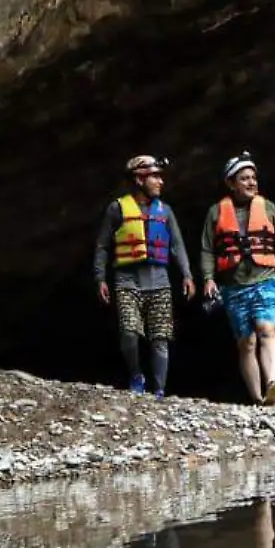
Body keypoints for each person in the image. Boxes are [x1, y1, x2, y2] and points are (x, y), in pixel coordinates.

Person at [198, 152, 275, 405]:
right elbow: (207, 249)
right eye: (244, 178)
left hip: (265, 280)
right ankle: (259, 399)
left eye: (253, 178)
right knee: (246, 343)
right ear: (231, 183)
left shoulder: (268, 208)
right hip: (233, 287)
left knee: (266, 330)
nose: (251, 182)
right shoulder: (216, 212)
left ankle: (272, 384)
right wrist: (208, 278)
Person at [95, 154, 194, 395]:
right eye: (155, 177)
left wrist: (187, 274)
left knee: (160, 337)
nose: (160, 182)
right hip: (127, 280)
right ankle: (136, 374)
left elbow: (177, 245)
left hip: (159, 280)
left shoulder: (165, 211)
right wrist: (100, 278)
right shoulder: (117, 209)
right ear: (139, 180)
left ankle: (159, 390)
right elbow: (103, 245)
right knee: (129, 332)